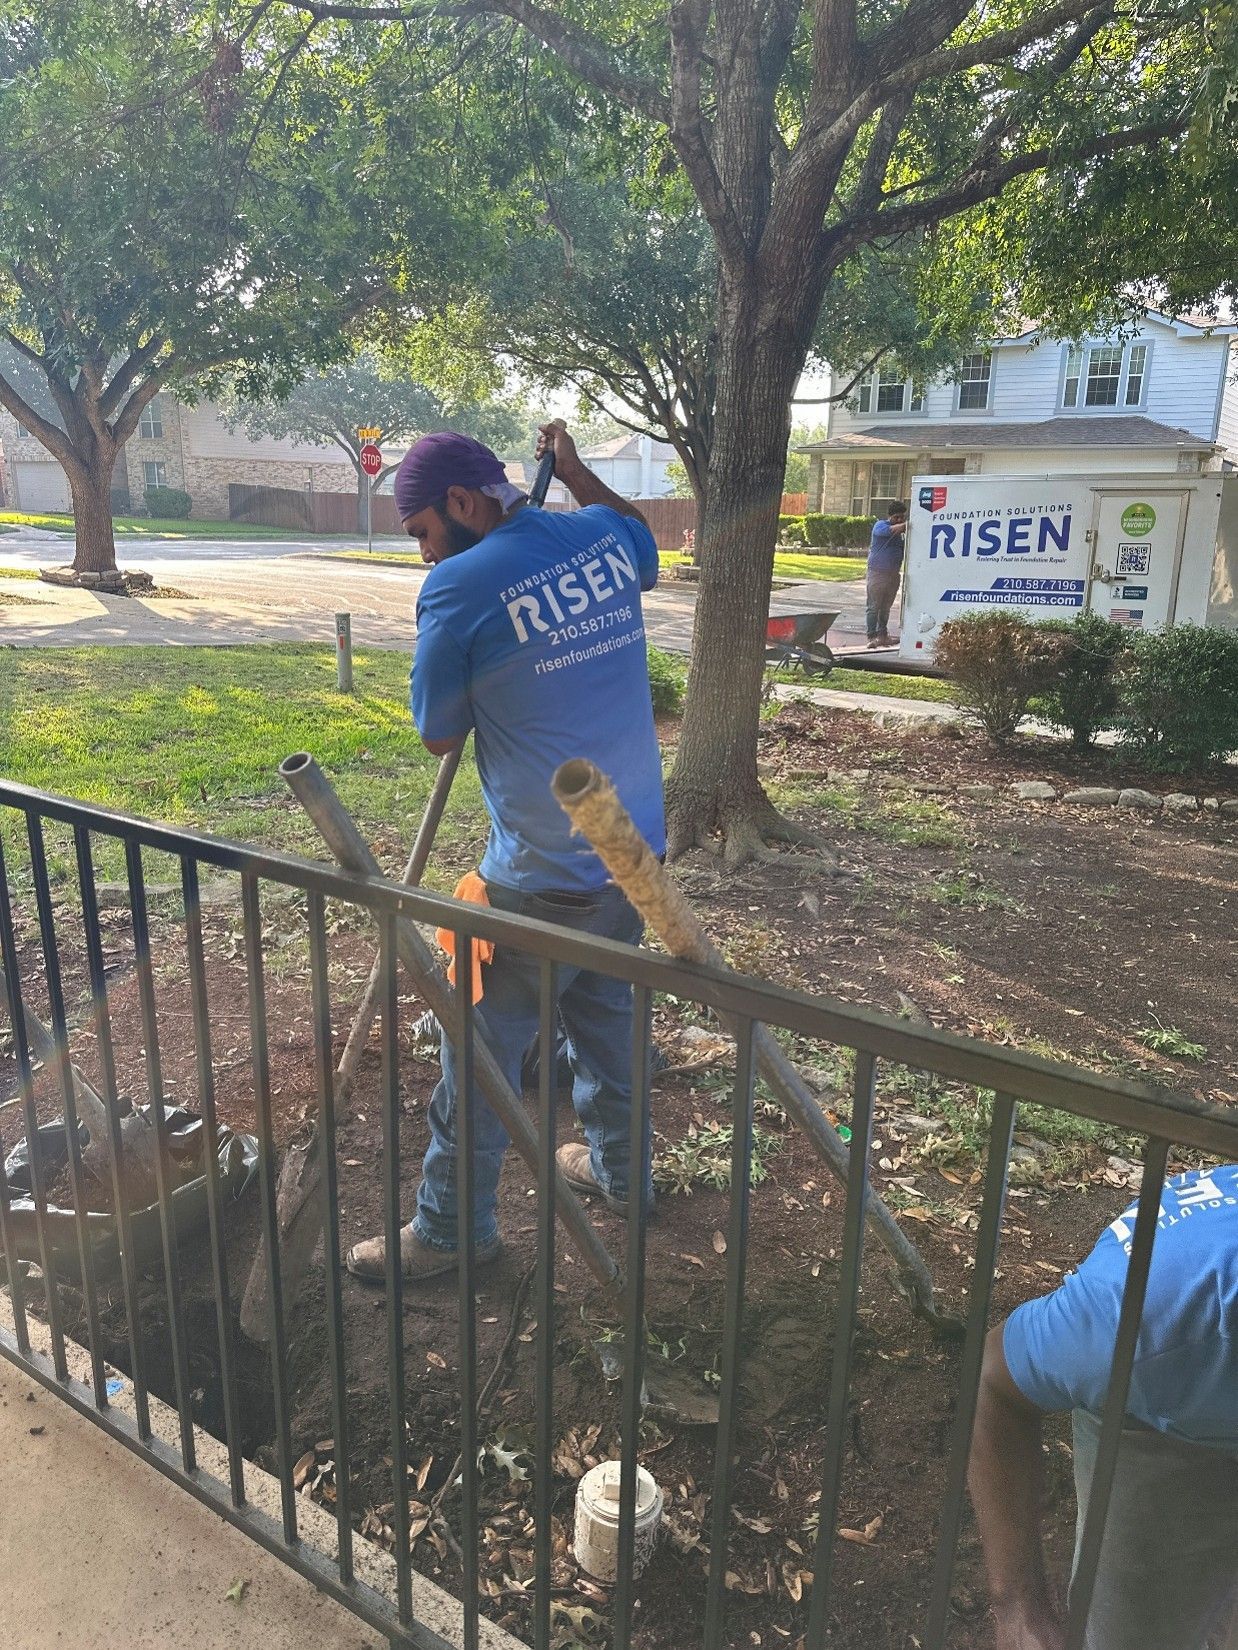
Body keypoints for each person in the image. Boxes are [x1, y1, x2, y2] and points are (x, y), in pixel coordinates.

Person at [346, 423, 665, 1283]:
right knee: (608, 1026)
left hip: (541, 880)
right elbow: (643, 539)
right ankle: (624, 1173)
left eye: (419, 531)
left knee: (477, 1055)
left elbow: (437, 731)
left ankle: (452, 1230)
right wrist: (580, 475)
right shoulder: (599, 534)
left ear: (461, 502)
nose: (421, 554)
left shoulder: (458, 587)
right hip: (631, 859)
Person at [968, 1164, 1238, 1650]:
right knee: (1134, 1633)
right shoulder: (1139, 1322)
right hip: (1166, 1420)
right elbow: (992, 1381)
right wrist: (1018, 1612)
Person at [865, 503, 907, 648]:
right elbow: (892, 530)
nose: (900, 520)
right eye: (897, 517)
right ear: (890, 516)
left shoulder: (901, 534)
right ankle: (871, 637)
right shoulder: (880, 526)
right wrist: (908, 524)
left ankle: (883, 636)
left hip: (893, 574)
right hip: (877, 573)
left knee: (886, 607)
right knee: (873, 607)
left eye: (902, 517)